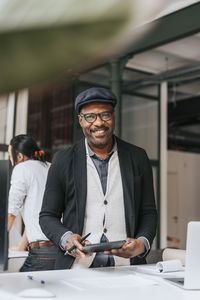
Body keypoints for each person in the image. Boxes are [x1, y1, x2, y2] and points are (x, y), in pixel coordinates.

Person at [39, 87, 157, 269]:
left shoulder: (138, 157)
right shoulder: (63, 160)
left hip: (128, 267)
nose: (98, 123)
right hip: (76, 268)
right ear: (80, 120)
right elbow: (48, 216)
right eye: (90, 117)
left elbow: (148, 212)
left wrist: (142, 243)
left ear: (114, 116)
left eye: (105, 115)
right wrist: (67, 239)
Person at [7, 134, 58, 272]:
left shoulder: (21, 169)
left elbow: (11, 212)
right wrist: (21, 247)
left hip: (42, 254)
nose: (10, 160)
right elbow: (35, 217)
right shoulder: (50, 167)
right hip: (60, 250)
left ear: (19, 157)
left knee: (16, 287)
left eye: (10, 155)